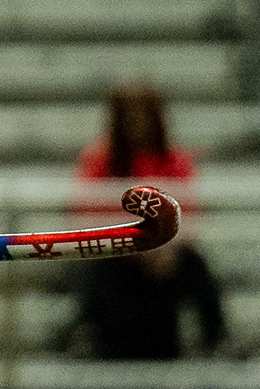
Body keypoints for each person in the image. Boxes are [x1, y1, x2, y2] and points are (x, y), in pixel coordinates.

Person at [71, 82, 227, 360]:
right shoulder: (98, 161)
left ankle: (218, 339)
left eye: (143, 114)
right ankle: (85, 334)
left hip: (164, 257)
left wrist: (163, 247)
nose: (137, 122)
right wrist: (133, 245)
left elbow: (188, 213)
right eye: (129, 115)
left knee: (195, 264)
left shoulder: (175, 160)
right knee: (90, 268)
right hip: (115, 256)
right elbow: (86, 213)